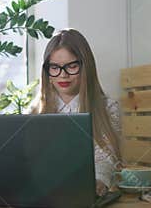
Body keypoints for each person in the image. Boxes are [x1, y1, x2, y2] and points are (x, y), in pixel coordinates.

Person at [30, 28, 124, 196]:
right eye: (55, 67)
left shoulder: (108, 108)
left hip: (86, 194)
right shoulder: (36, 110)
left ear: (85, 67)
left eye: (71, 66)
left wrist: (99, 182)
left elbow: (106, 159)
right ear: (47, 71)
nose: (63, 75)